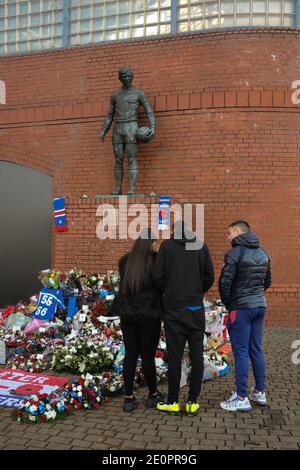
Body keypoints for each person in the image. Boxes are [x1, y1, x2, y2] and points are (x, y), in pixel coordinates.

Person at [152, 221, 214, 416]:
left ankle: (172, 401)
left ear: (173, 231)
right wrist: (196, 292)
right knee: (197, 357)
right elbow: (209, 276)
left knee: (175, 357)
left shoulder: (167, 246)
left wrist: (169, 292)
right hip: (195, 309)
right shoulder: (202, 246)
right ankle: (192, 402)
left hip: (174, 310)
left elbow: (157, 276)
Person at [218, 220, 272, 412]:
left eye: (229, 233)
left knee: (240, 351)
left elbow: (224, 283)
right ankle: (259, 391)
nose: (228, 237)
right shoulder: (264, 253)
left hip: (240, 308)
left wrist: (229, 303)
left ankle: (241, 397)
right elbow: (268, 281)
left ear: (238, 232)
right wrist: (255, 295)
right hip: (259, 305)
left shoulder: (234, 254)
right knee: (256, 349)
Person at [112, 228, 165, 412]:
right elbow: (160, 285)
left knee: (131, 355)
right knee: (148, 356)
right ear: (150, 243)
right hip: (149, 315)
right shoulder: (156, 259)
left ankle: (128, 397)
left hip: (127, 314)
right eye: (155, 242)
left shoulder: (125, 261)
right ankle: (153, 394)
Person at [100, 66, 156, 195]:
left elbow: (149, 110)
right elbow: (110, 115)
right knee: (118, 160)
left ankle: (132, 188)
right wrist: (104, 130)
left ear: (132, 77)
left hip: (131, 127)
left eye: (129, 76)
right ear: (120, 78)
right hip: (117, 128)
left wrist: (153, 126)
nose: (126, 78)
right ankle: (118, 188)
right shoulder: (115, 96)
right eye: (124, 76)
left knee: (131, 158)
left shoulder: (138, 93)